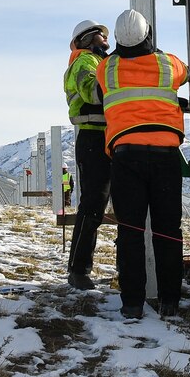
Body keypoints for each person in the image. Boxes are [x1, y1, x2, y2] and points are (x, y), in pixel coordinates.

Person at [97, 8, 187, 320]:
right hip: (165, 156)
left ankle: (132, 304)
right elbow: (184, 73)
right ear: (148, 34)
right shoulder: (168, 64)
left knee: (131, 231)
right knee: (167, 231)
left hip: (126, 157)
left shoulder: (107, 69)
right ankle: (170, 302)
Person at [63, 19, 112, 290]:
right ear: (87, 40)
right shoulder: (84, 64)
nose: (106, 41)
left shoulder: (100, 64)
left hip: (109, 137)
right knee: (93, 205)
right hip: (93, 139)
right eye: (100, 37)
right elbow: (95, 95)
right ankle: (78, 270)